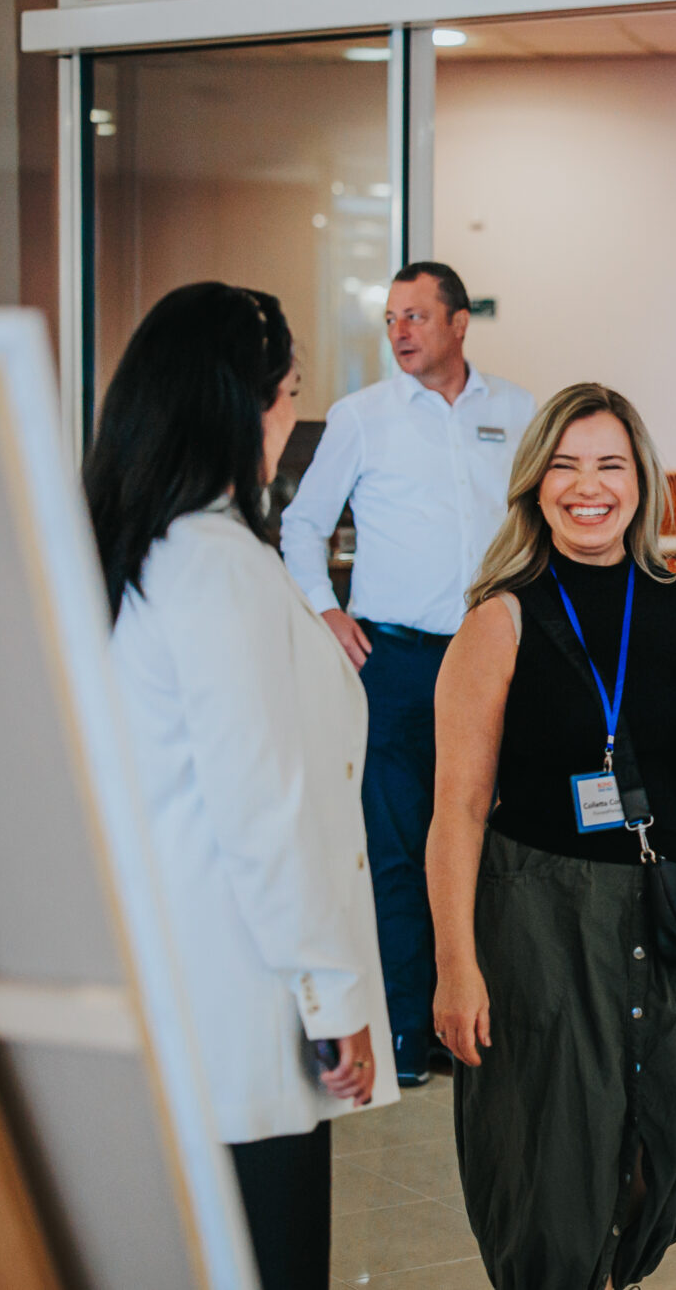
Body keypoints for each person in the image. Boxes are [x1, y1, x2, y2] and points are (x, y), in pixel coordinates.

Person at [427, 384, 676, 1290]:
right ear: (536, 482)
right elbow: (457, 809)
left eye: (610, 465)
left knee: (663, 1152)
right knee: (550, 1159)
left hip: (671, 915)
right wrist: (456, 963)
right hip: (543, 918)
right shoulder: (497, 622)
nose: (589, 486)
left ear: (641, 480)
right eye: (567, 465)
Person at [87, 282, 395, 1290]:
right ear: (235, 404)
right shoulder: (214, 566)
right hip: (247, 997)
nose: (290, 427)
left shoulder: (147, 552)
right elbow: (265, 814)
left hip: (186, 986)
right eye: (287, 398)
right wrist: (332, 993)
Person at [280, 260, 535, 1087]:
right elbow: (302, 524)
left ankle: (471, 1022)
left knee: (486, 842)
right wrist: (325, 608)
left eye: (417, 316)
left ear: (460, 324)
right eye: (391, 318)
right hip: (393, 662)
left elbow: (540, 522)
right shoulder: (363, 416)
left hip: (492, 657)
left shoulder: (519, 411)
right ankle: (401, 1030)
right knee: (393, 848)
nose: (400, 331)